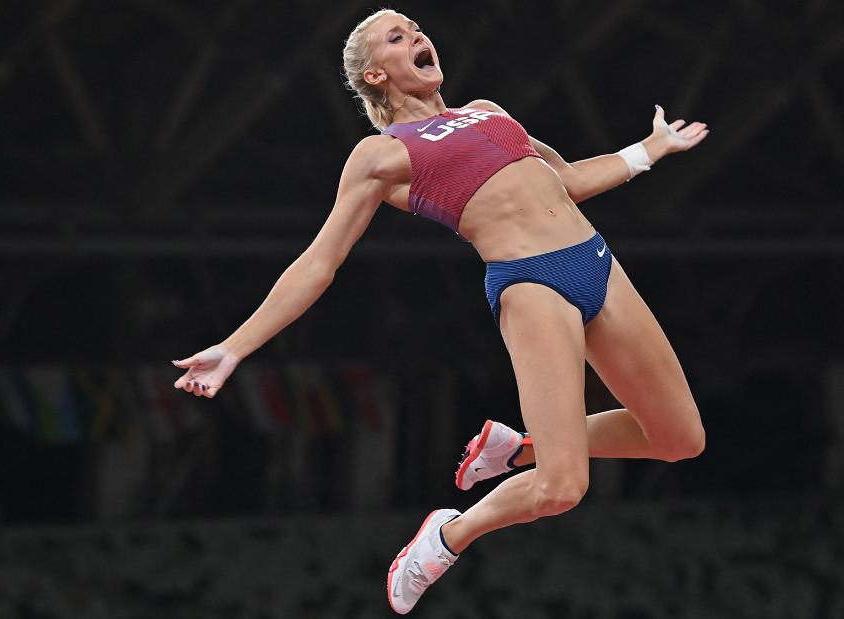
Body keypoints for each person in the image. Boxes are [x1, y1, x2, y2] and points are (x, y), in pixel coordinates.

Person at [172, 8, 710, 614]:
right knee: (563, 489)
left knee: (680, 439)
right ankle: (447, 536)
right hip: (533, 286)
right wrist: (236, 347)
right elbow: (319, 263)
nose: (419, 38)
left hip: (596, 262)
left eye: (418, 30)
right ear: (376, 75)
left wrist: (651, 149)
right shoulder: (382, 155)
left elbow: (565, 180)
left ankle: (519, 447)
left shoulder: (489, 111)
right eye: (398, 38)